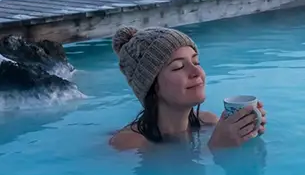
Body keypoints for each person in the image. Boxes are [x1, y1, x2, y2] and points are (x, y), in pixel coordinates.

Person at [108, 25, 267, 151]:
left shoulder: (209, 122)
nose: (197, 72)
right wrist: (218, 147)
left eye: (196, 62)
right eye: (178, 67)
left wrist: (248, 132)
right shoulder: (129, 143)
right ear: (152, 86)